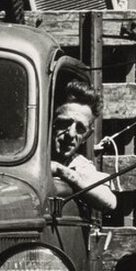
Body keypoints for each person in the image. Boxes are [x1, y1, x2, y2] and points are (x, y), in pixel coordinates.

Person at [50, 81, 117, 213]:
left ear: (87, 136)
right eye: (64, 123)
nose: (71, 134)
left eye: (80, 128)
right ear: (51, 122)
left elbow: (110, 202)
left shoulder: (78, 165)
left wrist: (63, 172)